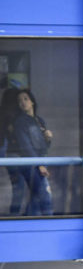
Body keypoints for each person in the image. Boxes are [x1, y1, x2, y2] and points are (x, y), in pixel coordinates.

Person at [13, 89, 53, 216]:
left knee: (36, 198)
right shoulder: (20, 122)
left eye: (25, 99)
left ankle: (27, 222)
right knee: (45, 196)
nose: (23, 103)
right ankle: (50, 223)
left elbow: (44, 146)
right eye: (19, 101)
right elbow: (25, 146)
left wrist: (48, 139)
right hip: (31, 164)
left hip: (41, 161)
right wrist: (38, 164)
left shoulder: (39, 120)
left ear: (32, 102)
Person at [0, 86, 25, 215]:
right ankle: (15, 215)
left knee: (18, 186)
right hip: (13, 154)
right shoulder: (16, 117)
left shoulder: (4, 114)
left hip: (6, 153)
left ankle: (14, 215)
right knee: (19, 187)